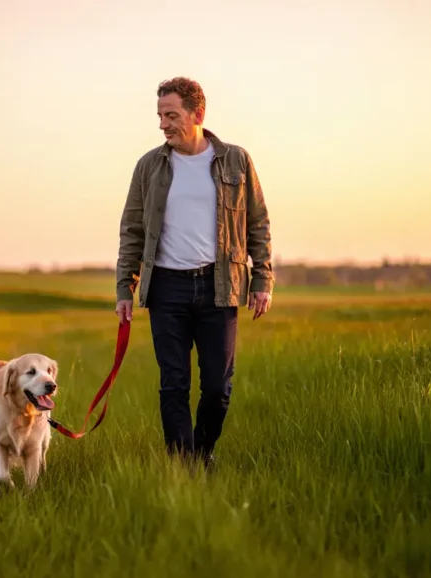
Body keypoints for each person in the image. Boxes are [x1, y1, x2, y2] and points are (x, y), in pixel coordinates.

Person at [115, 76, 274, 469]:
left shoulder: (236, 160)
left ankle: (202, 452)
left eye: (171, 115)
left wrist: (263, 279)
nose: (163, 124)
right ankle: (184, 466)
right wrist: (124, 287)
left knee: (218, 388)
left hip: (218, 288)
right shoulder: (149, 166)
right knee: (174, 385)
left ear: (197, 114)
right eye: (160, 116)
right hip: (167, 287)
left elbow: (258, 223)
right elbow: (132, 229)